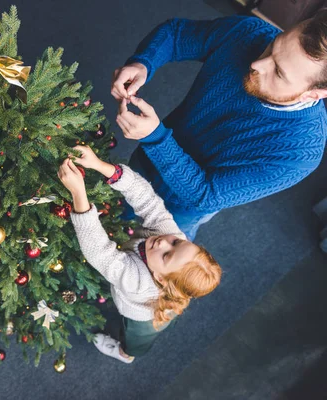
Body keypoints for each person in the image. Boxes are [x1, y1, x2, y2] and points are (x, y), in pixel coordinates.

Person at [111, 13, 327, 239]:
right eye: (274, 45)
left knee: (141, 258)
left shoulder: (301, 153)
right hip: (144, 162)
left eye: (279, 73)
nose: (257, 65)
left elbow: (205, 194)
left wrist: (156, 138)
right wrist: (144, 62)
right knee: (108, 207)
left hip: (177, 209)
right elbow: (176, 34)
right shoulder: (250, 32)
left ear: (314, 94)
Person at [58, 146, 222, 362]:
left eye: (166, 255)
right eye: (176, 242)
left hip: (143, 317)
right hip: (172, 293)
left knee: (137, 341)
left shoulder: (139, 283)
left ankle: (125, 354)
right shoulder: (171, 237)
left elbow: (99, 251)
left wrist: (79, 193)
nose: (164, 241)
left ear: (160, 278)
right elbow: (148, 200)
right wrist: (99, 165)